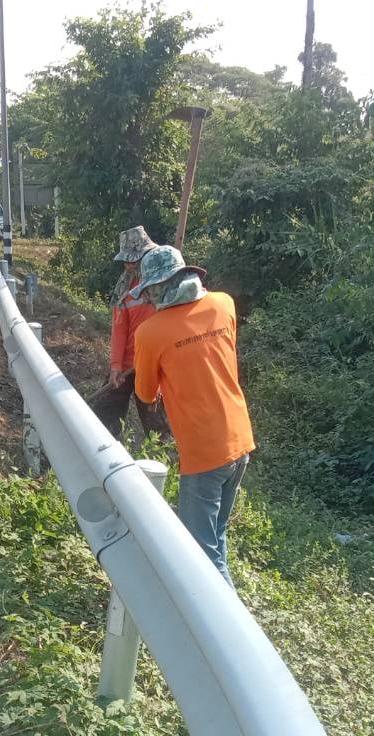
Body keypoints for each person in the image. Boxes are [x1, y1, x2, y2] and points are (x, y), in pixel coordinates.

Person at [133, 245, 254, 587]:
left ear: (158, 288)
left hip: (204, 453)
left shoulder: (150, 333)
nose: (149, 299)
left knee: (200, 554)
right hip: (240, 439)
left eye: (150, 292)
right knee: (215, 536)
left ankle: (224, 619)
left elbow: (145, 394)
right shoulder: (224, 304)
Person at [93, 226, 164, 441]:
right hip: (127, 365)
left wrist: (160, 377)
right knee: (104, 421)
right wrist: (116, 366)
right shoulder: (123, 288)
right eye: (126, 260)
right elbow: (119, 328)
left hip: (153, 365)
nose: (129, 264)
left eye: (135, 260)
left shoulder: (165, 283)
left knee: (158, 428)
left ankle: (160, 459)